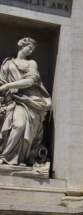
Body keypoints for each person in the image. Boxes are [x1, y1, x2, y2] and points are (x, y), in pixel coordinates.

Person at [0, 37, 52, 166]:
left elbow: (30, 81)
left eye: (33, 49)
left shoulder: (31, 63)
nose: (31, 51)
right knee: (17, 125)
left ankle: (10, 158)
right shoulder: (7, 64)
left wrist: (8, 86)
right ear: (21, 46)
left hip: (27, 100)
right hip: (9, 100)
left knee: (20, 125)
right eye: (30, 47)